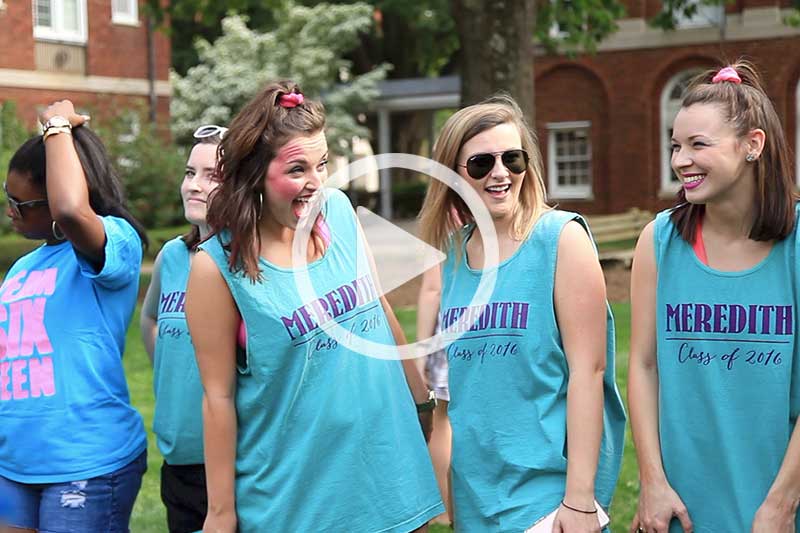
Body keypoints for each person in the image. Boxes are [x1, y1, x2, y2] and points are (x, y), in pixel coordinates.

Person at [184, 80, 443, 533]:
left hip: (391, 470)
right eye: (297, 168)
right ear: (254, 173)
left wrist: (422, 403)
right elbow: (218, 398)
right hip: (299, 498)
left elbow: (378, 304)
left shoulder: (339, 210)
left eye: (321, 164)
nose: (316, 182)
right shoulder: (215, 269)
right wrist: (220, 513)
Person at [417, 95, 626, 532]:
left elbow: (589, 374)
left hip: (548, 501)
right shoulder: (452, 256)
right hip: (477, 500)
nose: (500, 173)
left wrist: (581, 500)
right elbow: (459, 390)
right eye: (480, 164)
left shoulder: (560, 239)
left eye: (512, 158)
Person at [628, 61, 800, 533]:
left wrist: (782, 505)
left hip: (777, 503)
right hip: (682, 507)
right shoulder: (658, 241)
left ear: (753, 145)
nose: (680, 159)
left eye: (698, 145)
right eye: (675, 146)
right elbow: (643, 366)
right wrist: (652, 481)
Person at [0, 100, 148, 531]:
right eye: (8, 199)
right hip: (15, 464)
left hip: (86, 462)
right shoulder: (24, 267)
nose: (10, 210)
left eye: (22, 204)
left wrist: (56, 125)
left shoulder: (116, 244)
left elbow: (70, 211)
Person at [141, 124, 226, 532]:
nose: (194, 185)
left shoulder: (250, 265)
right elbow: (151, 316)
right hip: (178, 464)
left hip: (234, 465)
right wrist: (171, 372)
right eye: (190, 172)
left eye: (212, 176)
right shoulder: (173, 256)